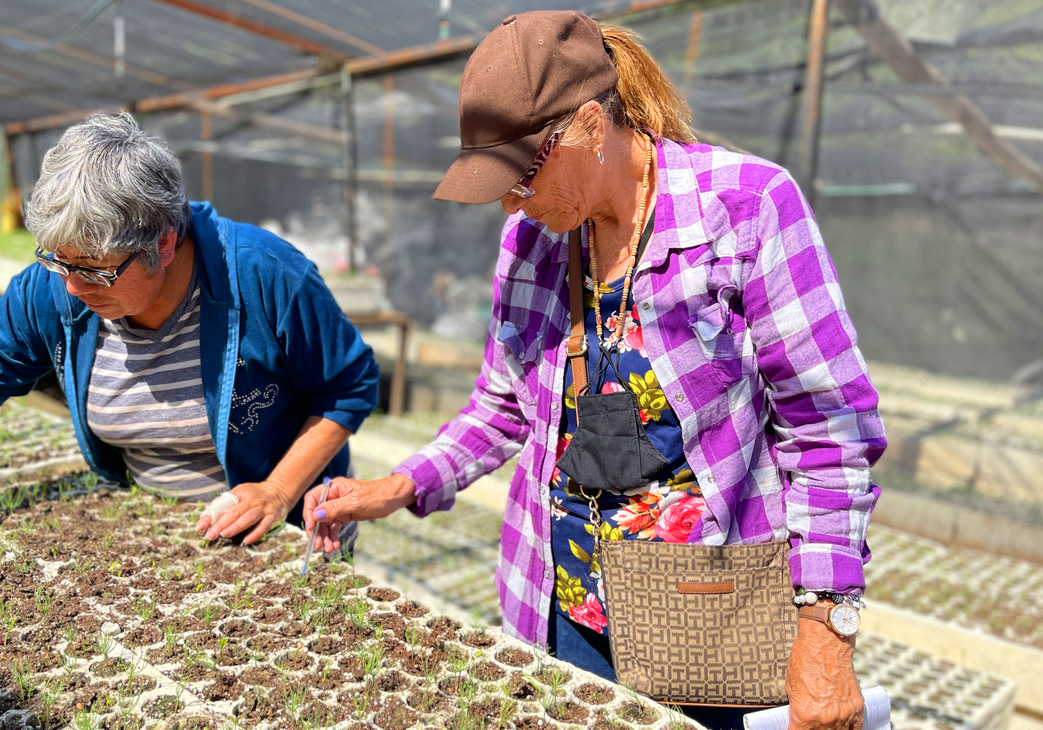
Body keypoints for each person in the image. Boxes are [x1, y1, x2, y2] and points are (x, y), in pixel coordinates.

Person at [304, 12, 885, 730]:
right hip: (561, 602)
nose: (511, 203)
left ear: (587, 125)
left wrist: (826, 637)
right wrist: (398, 486)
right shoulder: (533, 241)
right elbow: (503, 404)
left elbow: (830, 432)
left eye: (520, 177)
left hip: (710, 613)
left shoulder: (745, 208)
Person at [0, 113, 379, 607]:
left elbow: (348, 388)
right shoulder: (54, 287)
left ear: (164, 242)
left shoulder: (265, 276)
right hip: (154, 527)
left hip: (278, 530)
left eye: (93, 270)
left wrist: (275, 490)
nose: (70, 287)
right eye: (55, 261)